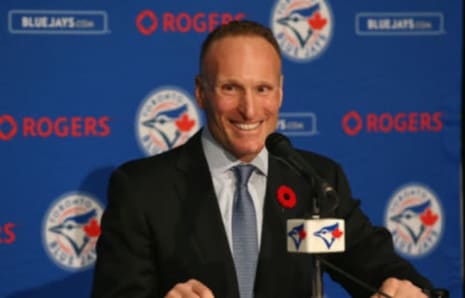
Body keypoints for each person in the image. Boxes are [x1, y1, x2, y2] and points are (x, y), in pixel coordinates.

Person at [91, 20, 437, 298]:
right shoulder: (142, 191)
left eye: (262, 89)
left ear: (281, 91)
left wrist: (406, 291)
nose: (250, 110)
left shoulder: (314, 181)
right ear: (200, 91)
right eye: (230, 88)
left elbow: (380, 268)